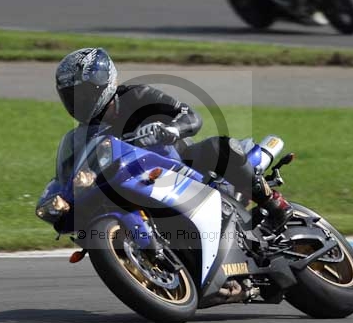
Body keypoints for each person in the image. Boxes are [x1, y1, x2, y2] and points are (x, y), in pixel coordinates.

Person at [54, 47, 294, 229]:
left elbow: (191, 116)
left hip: (182, 162)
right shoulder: (82, 136)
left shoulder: (136, 97)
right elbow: (74, 172)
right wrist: (60, 198)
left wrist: (172, 130)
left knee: (220, 147)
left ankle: (274, 204)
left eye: (82, 94)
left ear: (101, 84)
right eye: (71, 96)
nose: (78, 102)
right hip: (134, 181)